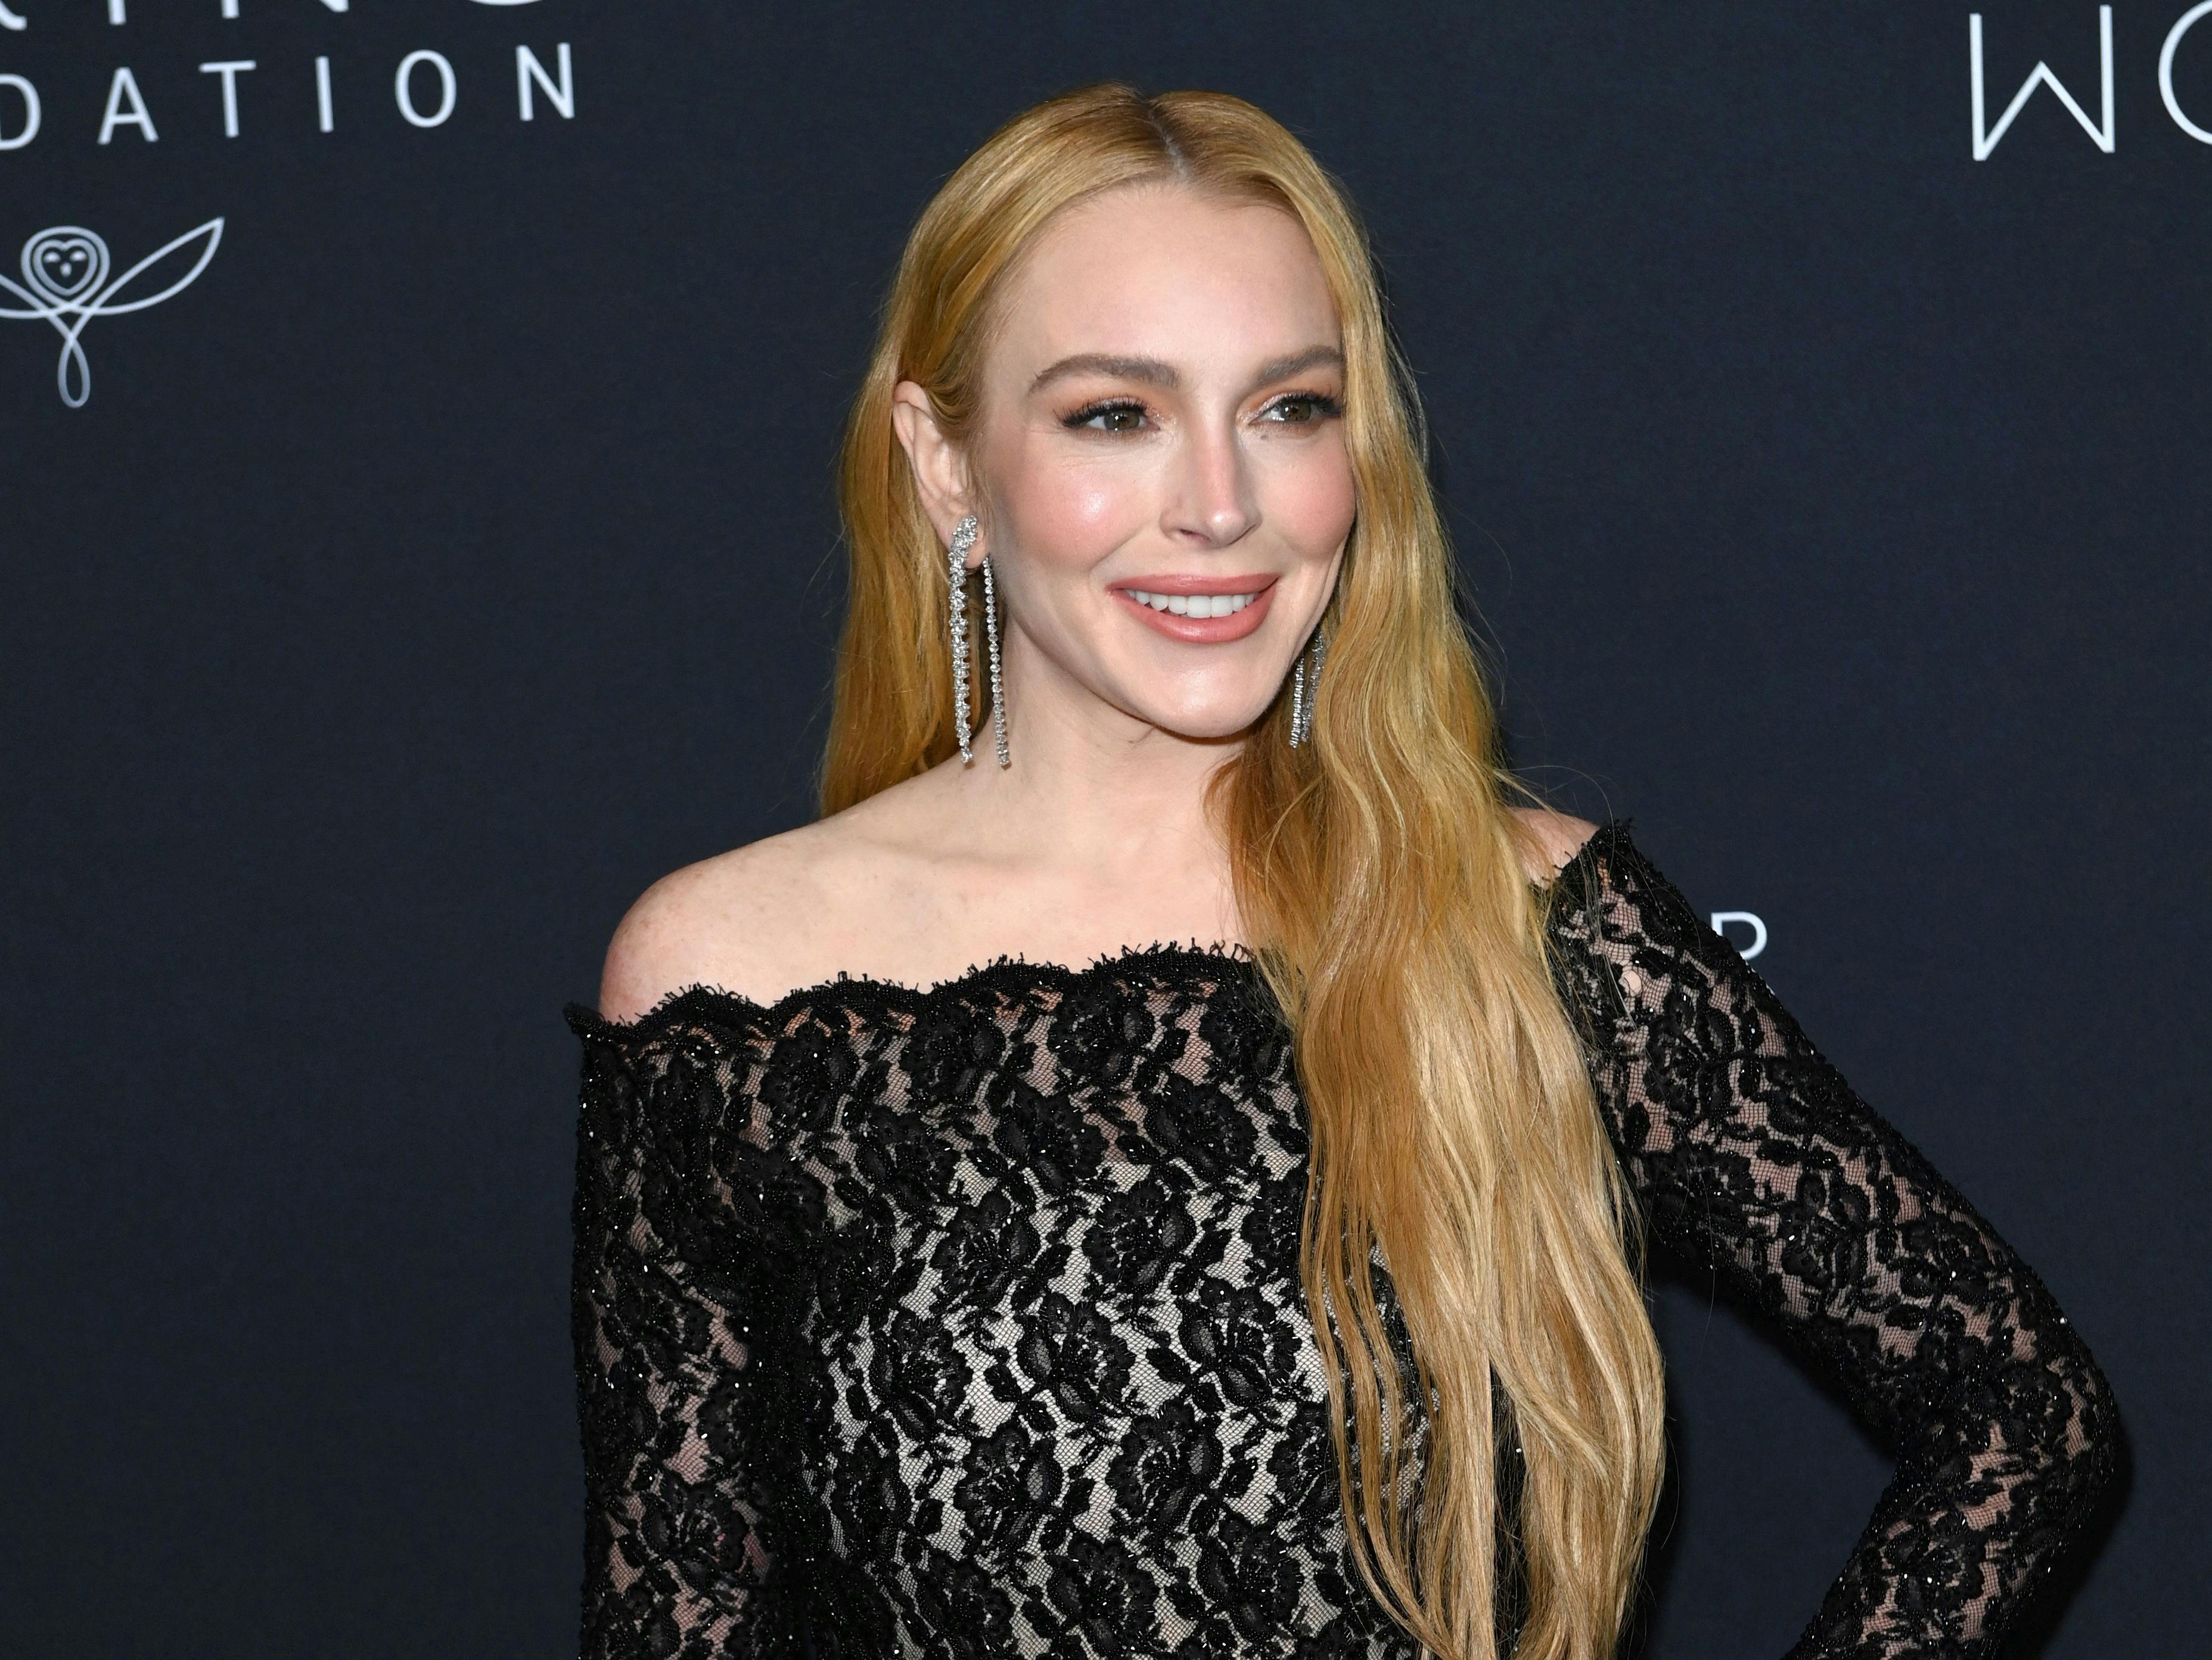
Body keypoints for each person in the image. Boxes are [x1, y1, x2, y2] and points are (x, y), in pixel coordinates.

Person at [564, 84, 2118, 1659]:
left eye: (1290, 408)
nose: (1224, 506)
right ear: (949, 463)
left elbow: (2023, 1416)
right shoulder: (733, 991)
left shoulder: (1519, 926)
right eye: (1117, 413)